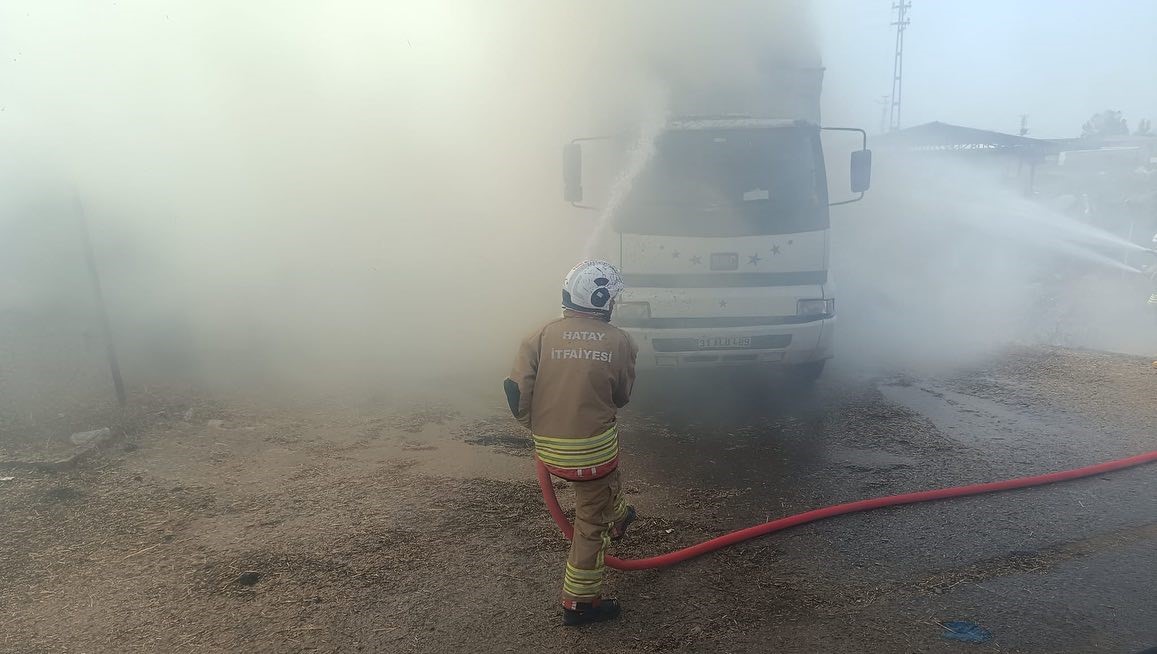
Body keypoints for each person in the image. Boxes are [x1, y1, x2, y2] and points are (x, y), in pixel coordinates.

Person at [504, 259, 639, 626]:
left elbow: (517, 395)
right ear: (604, 301)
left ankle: (620, 514)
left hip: (549, 448)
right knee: (590, 521)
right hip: (593, 453)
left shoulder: (539, 335)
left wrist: (544, 429)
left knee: (604, 482)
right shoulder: (622, 341)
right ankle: (580, 604)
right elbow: (622, 396)